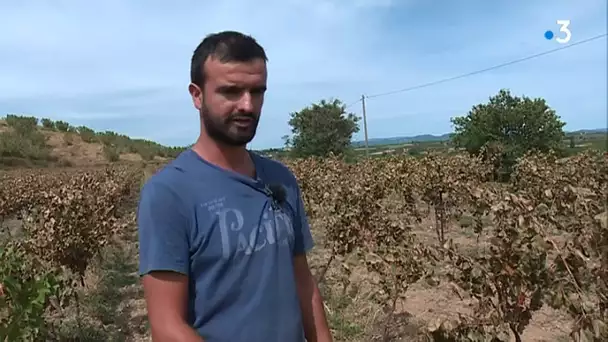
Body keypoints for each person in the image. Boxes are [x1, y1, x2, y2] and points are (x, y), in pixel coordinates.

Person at [136, 30, 333, 342]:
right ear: (196, 95)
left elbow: (303, 283)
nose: (247, 105)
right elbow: (167, 326)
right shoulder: (169, 194)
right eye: (231, 91)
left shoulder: (281, 179)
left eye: (257, 92)